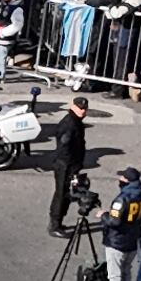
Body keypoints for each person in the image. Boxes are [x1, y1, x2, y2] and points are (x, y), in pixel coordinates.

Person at [48, 99, 92, 236]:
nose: (83, 111)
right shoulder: (69, 124)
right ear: (73, 107)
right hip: (65, 166)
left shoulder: (76, 122)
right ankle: (54, 225)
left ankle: (58, 223)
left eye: (85, 108)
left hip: (71, 165)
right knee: (61, 194)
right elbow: (64, 149)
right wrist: (72, 166)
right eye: (80, 108)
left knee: (67, 194)